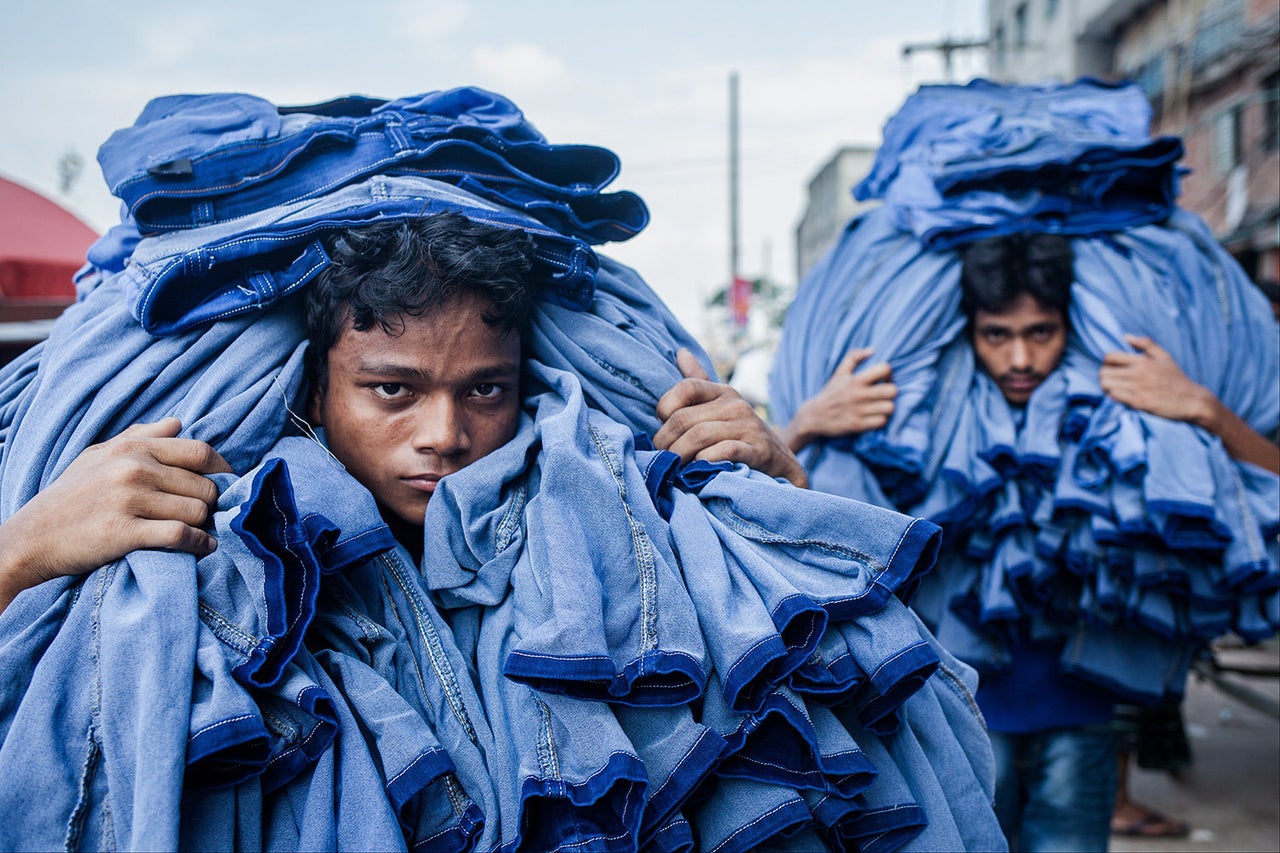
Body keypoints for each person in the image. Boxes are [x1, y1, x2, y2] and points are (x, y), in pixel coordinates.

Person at [0, 212, 804, 612]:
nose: (445, 437)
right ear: (314, 389)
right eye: (394, 390)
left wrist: (781, 481)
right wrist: (23, 550)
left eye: (485, 390)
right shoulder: (225, 545)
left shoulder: (590, 530)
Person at [781, 231, 1278, 851]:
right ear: (969, 333)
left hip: (1084, 718)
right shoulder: (921, 426)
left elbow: (1265, 483)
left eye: (1041, 332)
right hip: (949, 720)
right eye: (997, 335)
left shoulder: (1121, 421)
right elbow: (793, 519)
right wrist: (803, 424)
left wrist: (1204, 408)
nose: (1020, 358)